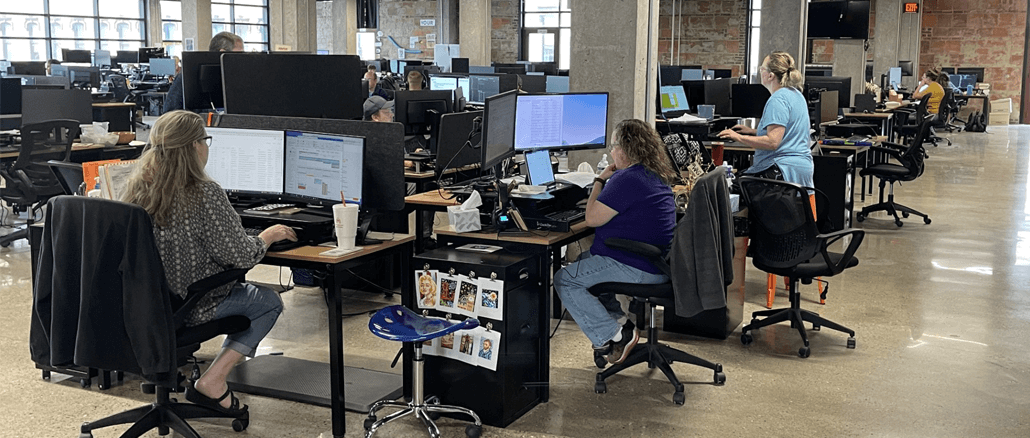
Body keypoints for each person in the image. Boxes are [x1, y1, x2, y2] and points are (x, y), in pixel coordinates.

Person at [121, 110, 297, 413]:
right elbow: (240, 256)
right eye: (206, 139)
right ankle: (213, 380)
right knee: (268, 302)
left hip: (145, 306)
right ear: (193, 147)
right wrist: (268, 235)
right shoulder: (204, 193)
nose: (207, 146)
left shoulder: (136, 188)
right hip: (190, 306)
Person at [554, 119, 678, 365]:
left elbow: (590, 218)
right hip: (656, 262)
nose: (611, 152)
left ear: (625, 149)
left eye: (613, 146)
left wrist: (599, 181)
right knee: (583, 261)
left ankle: (614, 335)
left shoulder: (627, 179)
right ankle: (621, 325)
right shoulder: (652, 173)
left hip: (637, 265)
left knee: (565, 279)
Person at [717, 51, 814, 188]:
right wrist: (753, 132)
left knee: (728, 187)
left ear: (770, 75)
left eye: (761, 69)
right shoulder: (796, 94)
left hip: (781, 171)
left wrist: (737, 137)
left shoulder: (777, 99)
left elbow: (772, 142)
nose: (759, 72)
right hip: (799, 171)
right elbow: (787, 134)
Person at [163, 32, 244, 113]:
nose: (242, 59)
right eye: (238, 54)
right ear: (222, 53)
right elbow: (170, 114)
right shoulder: (186, 77)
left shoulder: (239, 77)